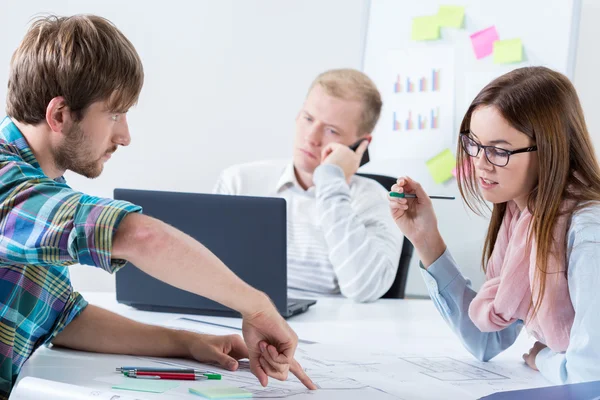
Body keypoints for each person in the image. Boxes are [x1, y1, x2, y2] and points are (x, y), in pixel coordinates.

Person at [0, 15, 316, 398]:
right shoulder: (7, 183)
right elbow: (139, 236)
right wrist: (257, 307)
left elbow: (63, 318)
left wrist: (190, 342)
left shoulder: (42, 185)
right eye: (114, 114)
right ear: (60, 115)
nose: (125, 135)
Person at [389, 66, 600, 384]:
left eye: (498, 150)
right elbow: (486, 340)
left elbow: (592, 375)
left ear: (550, 150)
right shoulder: (521, 218)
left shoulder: (587, 235)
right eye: (473, 144)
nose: (480, 164)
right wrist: (426, 238)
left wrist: (543, 357)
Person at [214, 69, 403, 303]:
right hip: (241, 323)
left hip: (331, 332)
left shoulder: (375, 200)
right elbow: (207, 275)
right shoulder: (238, 182)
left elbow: (363, 289)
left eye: (331, 130)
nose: (311, 138)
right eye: (308, 119)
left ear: (361, 145)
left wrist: (330, 182)